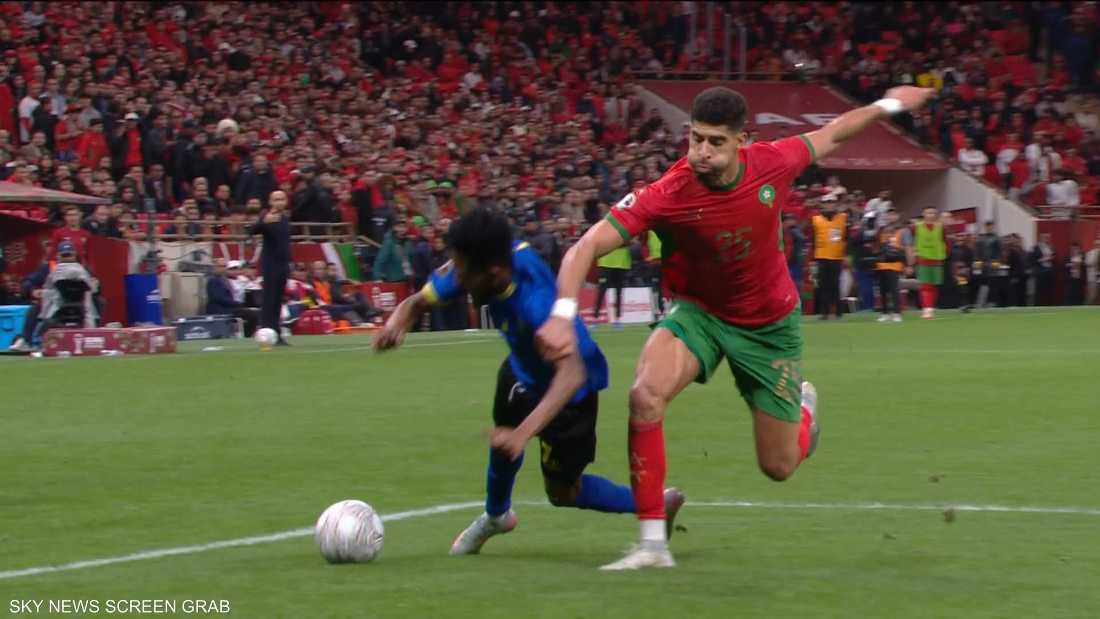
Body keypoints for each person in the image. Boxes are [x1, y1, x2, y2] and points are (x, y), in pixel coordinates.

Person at [536, 84, 933, 570]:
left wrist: (890, 103)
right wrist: (563, 314)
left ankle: (804, 412)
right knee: (645, 395)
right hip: (700, 314)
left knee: (778, 466)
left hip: (768, 326)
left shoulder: (773, 162)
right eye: (695, 139)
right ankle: (652, 545)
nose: (701, 152)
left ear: (741, 141)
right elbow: (585, 247)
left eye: (715, 142)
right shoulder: (669, 192)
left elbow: (835, 133)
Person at [374, 209, 684, 555]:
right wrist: (397, 322)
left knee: (563, 492)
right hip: (522, 369)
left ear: (492, 273)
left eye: (462, 272)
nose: (456, 279)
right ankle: (496, 516)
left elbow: (572, 374)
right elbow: (418, 302)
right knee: (502, 443)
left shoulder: (535, 303)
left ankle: (654, 503)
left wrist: (523, 433)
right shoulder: (483, 261)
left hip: (570, 396)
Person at [248, 190, 291, 345]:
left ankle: (276, 333)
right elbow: (252, 231)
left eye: (282, 199)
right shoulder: (267, 216)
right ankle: (266, 333)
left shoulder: (284, 218)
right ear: (270, 202)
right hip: (271, 265)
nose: (279, 202)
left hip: (283, 265)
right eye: (276, 199)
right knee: (269, 300)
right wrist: (264, 222)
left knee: (278, 301)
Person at [811, 199, 847, 319]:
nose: (829, 205)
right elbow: (813, 239)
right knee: (823, 285)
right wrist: (813, 258)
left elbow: (847, 237)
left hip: (836, 257)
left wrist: (845, 254)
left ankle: (839, 312)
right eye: (827, 203)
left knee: (835, 285)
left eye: (832, 203)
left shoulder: (842, 218)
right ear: (823, 205)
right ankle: (824, 313)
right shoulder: (816, 219)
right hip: (821, 257)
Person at [913, 206, 946, 319]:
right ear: (923, 214)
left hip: (937, 259)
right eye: (928, 213)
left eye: (933, 213)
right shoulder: (916, 226)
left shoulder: (941, 227)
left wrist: (944, 254)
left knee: (934, 286)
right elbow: (911, 242)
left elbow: (945, 242)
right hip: (922, 259)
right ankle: (927, 309)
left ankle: (930, 308)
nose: (931, 215)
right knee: (925, 286)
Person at [593, 235, 631, 327]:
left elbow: (627, 242)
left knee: (619, 292)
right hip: (606, 263)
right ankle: (595, 319)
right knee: (601, 291)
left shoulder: (624, 229)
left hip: (621, 263)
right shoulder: (604, 229)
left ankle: (617, 320)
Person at [874, 222, 906, 322]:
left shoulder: (896, 240)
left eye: (890, 232)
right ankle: (885, 313)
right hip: (881, 268)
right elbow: (877, 254)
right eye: (885, 232)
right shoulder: (880, 241)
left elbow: (901, 254)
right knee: (883, 292)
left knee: (894, 291)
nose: (887, 234)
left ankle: (897, 313)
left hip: (894, 268)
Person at [1086, 235, 1100, 305]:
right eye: (1097, 244)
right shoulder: (1090, 253)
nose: (1098, 246)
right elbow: (1088, 263)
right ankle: (1088, 307)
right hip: (1092, 278)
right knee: (1092, 295)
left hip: (1098, 277)